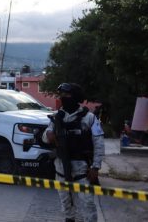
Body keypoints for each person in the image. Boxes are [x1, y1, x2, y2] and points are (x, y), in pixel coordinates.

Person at [42, 83, 105, 222]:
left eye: (67, 95)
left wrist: (96, 167)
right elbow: (45, 137)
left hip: (82, 171)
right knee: (67, 206)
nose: (64, 98)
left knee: (87, 204)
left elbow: (99, 143)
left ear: (75, 97)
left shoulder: (89, 118)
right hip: (61, 170)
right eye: (62, 95)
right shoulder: (57, 117)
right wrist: (49, 135)